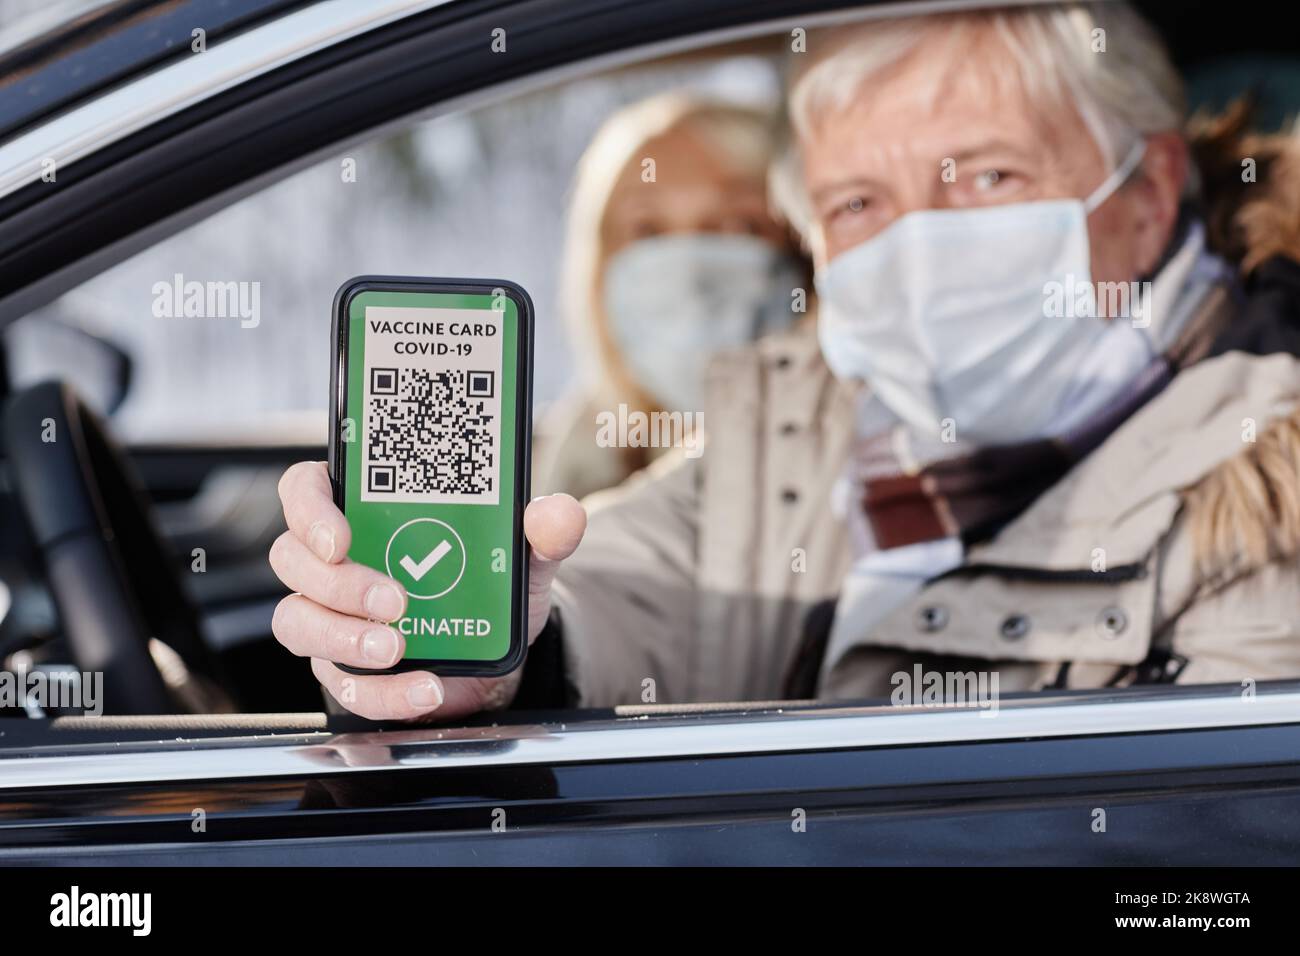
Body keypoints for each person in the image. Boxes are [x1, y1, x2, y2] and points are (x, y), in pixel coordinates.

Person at [270, 2, 1300, 721]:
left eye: (986, 173)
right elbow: (635, 579)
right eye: (857, 203)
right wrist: (502, 645)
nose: (919, 248)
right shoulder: (809, 414)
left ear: (1147, 193)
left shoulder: (1269, 497)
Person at [533, 93, 806, 500]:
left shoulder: (869, 454)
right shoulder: (527, 471)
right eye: (648, 231)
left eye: (741, 224)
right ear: (597, 274)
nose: (690, 273)